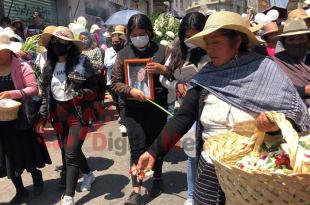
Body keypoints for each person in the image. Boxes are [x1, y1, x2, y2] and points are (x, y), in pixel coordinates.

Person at [135, 11, 310, 205]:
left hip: (255, 174)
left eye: (216, 42)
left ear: (237, 41)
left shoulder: (265, 70)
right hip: (211, 169)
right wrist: (153, 151)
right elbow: (182, 117)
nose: (209, 49)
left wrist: (273, 126)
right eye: (207, 43)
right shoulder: (207, 77)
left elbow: (294, 112)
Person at [35, 26, 99, 205]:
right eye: (54, 42)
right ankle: (88, 174)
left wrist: (82, 94)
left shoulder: (82, 61)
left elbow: (95, 90)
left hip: (78, 115)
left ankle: (69, 196)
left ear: (70, 45)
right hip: (58, 116)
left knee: (70, 154)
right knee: (71, 150)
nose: (57, 45)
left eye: (62, 42)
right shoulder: (49, 66)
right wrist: (42, 117)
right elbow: (46, 95)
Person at [111, 14, 168, 205]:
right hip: (133, 109)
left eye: (142, 33)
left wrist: (163, 69)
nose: (138, 37)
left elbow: (176, 74)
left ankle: (157, 178)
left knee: (156, 146)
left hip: (157, 108)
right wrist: (130, 90)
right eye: (134, 34)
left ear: (150, 33)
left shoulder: (163, 51)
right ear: (129, 35)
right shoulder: (123, 55)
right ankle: (136, 189)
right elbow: (115, 83)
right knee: (137, 146)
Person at [0, 30, 51, 204]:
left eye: (1, 51)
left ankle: (37, 178)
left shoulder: (22, 66)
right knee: (8, 156)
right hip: (2, 122)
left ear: (9, 50)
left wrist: (12, 94)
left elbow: (33, 89)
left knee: (28, 153)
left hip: (21, 119)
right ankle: (20, 190)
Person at [165, 12, 208, 205]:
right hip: (185, 111)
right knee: (191, 156)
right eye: (187, 35)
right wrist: (177, 85)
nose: (190, 40)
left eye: (195, 35)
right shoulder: (177, 50)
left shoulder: (211, 50)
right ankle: (192, 195)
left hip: (208, 110)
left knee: (209, 156)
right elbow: (164, 77)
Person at [272, 18, 310, 111]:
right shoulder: (275, 63)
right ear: (284, 43)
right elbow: (274, 91)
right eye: (291, 39)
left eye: (301, 38)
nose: (297, 42)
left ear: (308, 40)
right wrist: (304, 90)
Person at [104, 26, 127, 134]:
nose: (115, 44)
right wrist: (118, 57)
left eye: (117, 42)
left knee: (122, 100)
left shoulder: (126, 50)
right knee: (116, 101)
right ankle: (121, 115)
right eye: (113, 42)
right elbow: (107, 64)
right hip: (111, 80)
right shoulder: (109, 51)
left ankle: (123, 121)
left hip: (123, 80)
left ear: (121, 41)